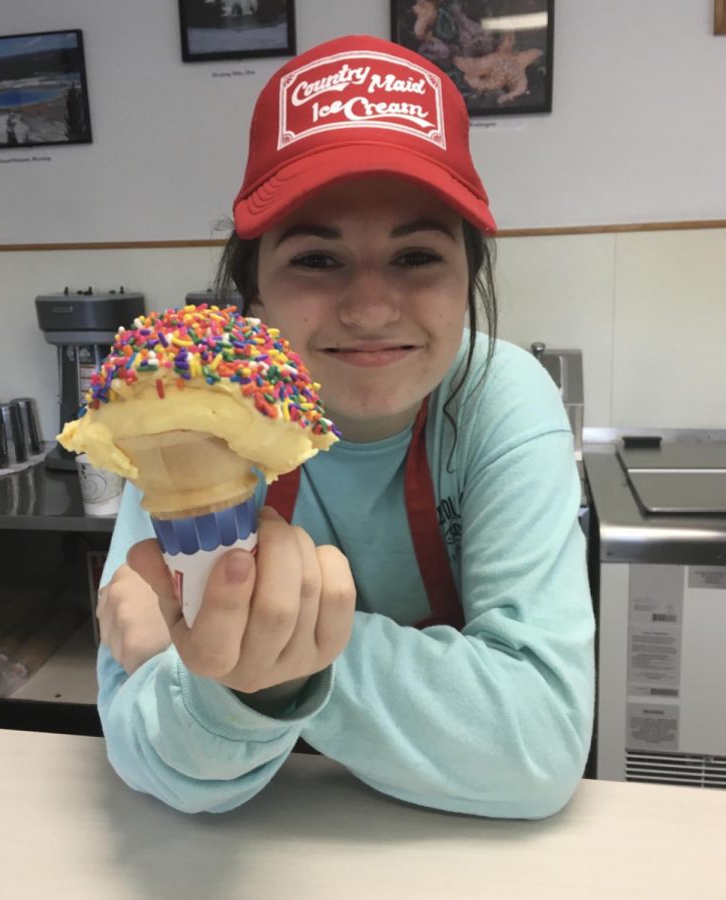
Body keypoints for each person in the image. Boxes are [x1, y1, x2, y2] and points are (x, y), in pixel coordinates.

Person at [96, 33, 595, 818]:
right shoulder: (183, 415)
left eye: (417, 256)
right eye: (317, 261)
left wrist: (261, 659)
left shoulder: (499, 397)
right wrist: (251, 671)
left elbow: (537, 743)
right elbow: (144, 747)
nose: (368, 309)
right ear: (252, 289)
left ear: (469, 279)